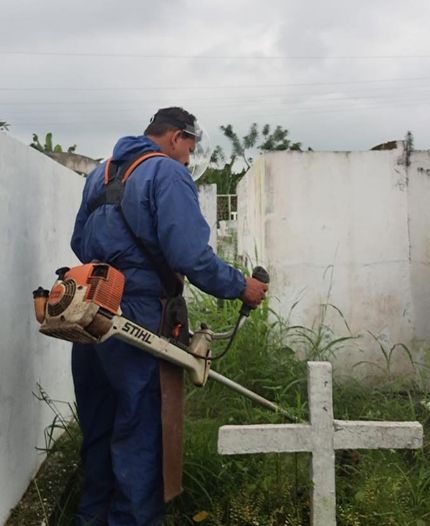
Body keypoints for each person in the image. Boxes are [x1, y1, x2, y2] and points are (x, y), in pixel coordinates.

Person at [70, 106, 267, 525]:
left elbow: (78, 241)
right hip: (140, 313)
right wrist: (240, 286)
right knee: (141, 425)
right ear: (177, 137)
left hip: (91, 306)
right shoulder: (167, 173)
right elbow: (189, 255)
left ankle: (92, 517)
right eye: (189, 149)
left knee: (99, 421)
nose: (189, 159)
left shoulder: (99, 174)